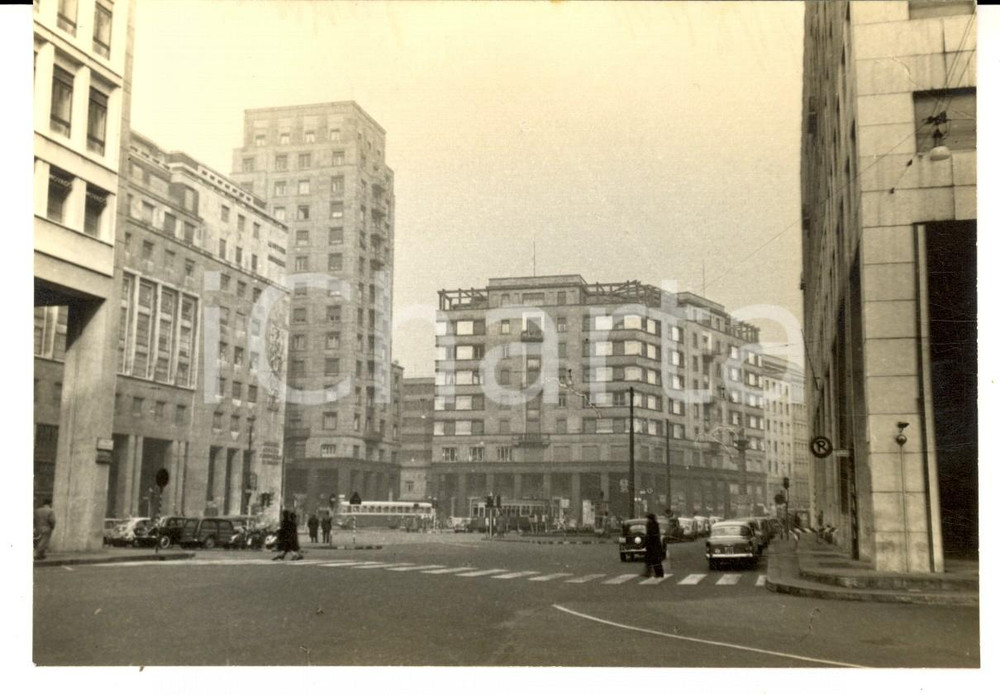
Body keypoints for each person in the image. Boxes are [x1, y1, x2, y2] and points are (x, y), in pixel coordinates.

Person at [643, 513, 665, 578]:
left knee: (652, 560)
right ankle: (658, 573)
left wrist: (644, 544)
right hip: (654, 546)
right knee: (654, 560)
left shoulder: (651, 525)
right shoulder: (654, 524)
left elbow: (649, 536)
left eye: (648, 519)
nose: (647, 520)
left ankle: (653, 573)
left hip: (652, 546)